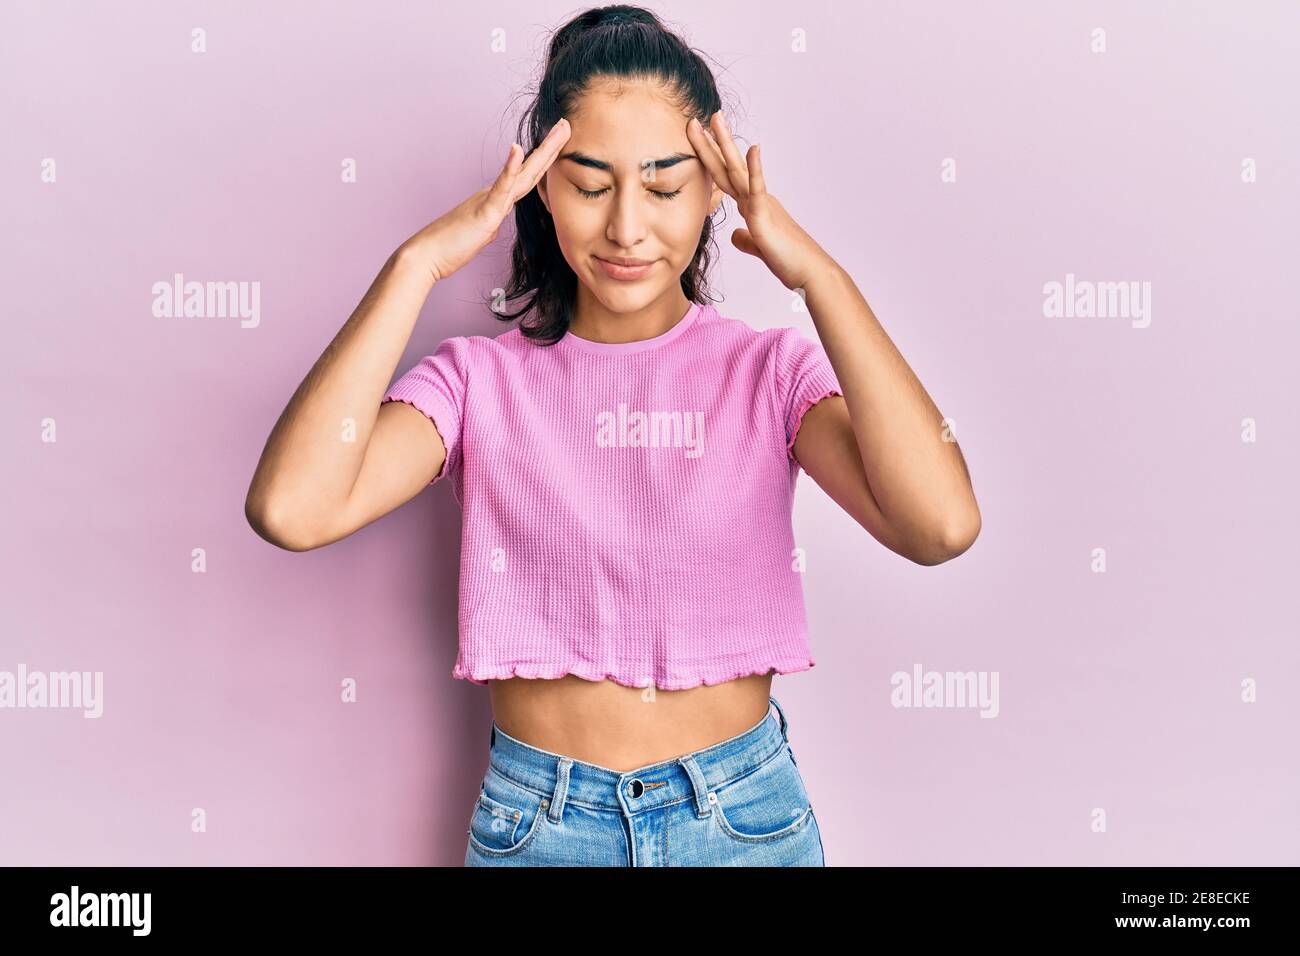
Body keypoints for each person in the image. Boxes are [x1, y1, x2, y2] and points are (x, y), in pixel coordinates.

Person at [244, 4, 981, 867]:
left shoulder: (769, 375)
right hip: (539, 829)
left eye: (666, 186)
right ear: (540, 186)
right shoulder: (479, 383)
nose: (627, 227)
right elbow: (292, 509)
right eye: (590, 185)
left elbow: (940, 525)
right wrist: (418, 265)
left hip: (742, 822)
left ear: (715, 188)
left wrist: (818, 275)